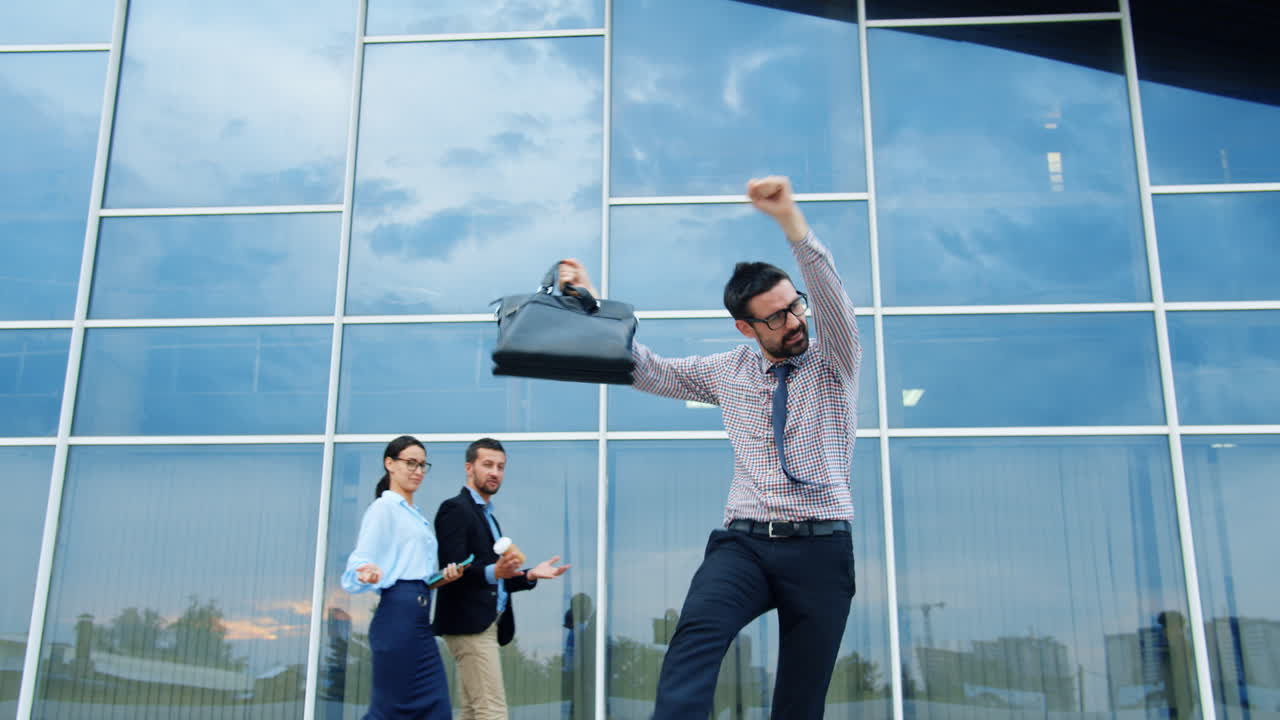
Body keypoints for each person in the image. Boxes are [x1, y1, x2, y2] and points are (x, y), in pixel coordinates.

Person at [559, 176, 861, 719]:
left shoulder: (834, 362)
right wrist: (589, 307)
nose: (795, 323)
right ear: (747, 328)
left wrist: (791, 221)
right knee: (694, 638)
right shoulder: (728, 371)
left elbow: (832, 297)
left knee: (800, 701)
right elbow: (647, 370)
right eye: (777, 317)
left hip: (821, 549)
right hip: (745, 544)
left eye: (796, 308)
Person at [433, 437, 572, 720]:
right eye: (488, 465)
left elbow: (496, 577)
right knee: (492, 712)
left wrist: (531, 574)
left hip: (488, 625)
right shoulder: (455, 509)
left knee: (473, 712)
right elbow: (451, 569)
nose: (495, 472)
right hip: (469, 625)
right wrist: (494, 572)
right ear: (469, 468)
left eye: (500, 466)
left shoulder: (488, 517)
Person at [342, 435, 466, 720]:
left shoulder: (413, 514)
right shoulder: (383, 509)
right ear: (390, 464)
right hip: (398, 621)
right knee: (389, 712)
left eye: (423, 465)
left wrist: (442, 578)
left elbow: (414, 573)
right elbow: (355, 569)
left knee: (435, 710)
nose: (418, 471)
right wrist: (367, 573)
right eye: (410, 463)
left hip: (420, 622)